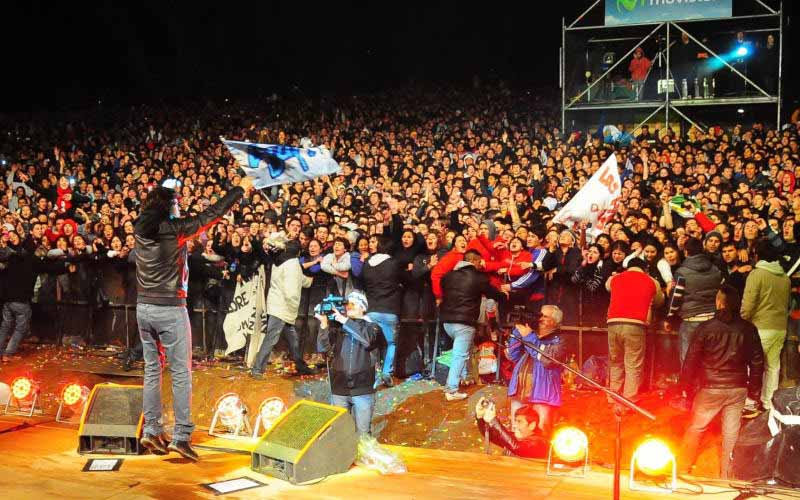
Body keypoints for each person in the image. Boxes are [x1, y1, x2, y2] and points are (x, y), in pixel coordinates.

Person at [134, 176, 252, 461]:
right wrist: (239, 190)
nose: (179, 207)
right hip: (170, 308)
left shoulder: (141, 228)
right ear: (168, 207)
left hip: (143, 307)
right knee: (180, 372)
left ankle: (151, 431)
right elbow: (209, 216)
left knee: (152, 369)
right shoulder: (173, 229)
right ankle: (182, 437)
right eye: (176, 203)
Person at [679, 285, 764, 479]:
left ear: (719, 303)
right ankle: (727, 476)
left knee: (697, 427)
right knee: (731, 434)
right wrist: (754, 393)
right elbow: (758, 362)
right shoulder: (748, 329)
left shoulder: (706, 328)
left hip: (710, 388)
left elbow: (691, 360)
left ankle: (682, 469)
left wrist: (685, 388)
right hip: (738, 388)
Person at [439, 249, 506, 401]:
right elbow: (493, 294)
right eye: (479, 262)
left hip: (446, 321)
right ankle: (451, 389)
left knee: (465, 350)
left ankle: (465, 377)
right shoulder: (478, 278)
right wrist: (503, 296)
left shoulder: (448, 276)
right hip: (465, 322)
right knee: (460, 355)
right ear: (475, 261)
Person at [316, 291, 384, 435]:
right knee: (340, 433)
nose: (348, 307)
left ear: (363, 307)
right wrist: (323, 325)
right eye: (347, 304)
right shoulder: (338, 326)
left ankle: (362, 458)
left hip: (362, 389)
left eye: (352, 304)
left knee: (363, 433)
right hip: (338, 388)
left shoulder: (373, 327)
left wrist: (345, 321)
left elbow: (368, 341)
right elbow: (323, 348)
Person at [250, 235, 316, 378]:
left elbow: (298, 279)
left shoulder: (279, 261)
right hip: (283, 308)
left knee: (293, 340)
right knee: (271, 339)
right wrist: (293, 307)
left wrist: (309, 281)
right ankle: (257, 369)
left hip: (277, 306)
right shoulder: (292, 264)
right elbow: (291, 290)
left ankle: (300, 365)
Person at [741, 239, 791, 413]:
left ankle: (750, 401)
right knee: (773, 367)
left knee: (752, 367)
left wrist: (742, 322)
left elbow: (748, 305)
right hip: (780, 328)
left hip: (759, 328)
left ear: (757, 255)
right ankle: (769, 403)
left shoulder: (757, 274)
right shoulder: (785, 277)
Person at [606, 257, 664, 402]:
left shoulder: (615, 279)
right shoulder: (652, 281)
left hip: (613, 322)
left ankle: (613, 396)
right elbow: (659, 300)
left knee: (615, 361)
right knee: (633, 363)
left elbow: (607, 287)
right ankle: (629, 400)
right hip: (636, 325)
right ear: (645, 269)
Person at [505, 305, 566, 436]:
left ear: (555, 322)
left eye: (545, 316)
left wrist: (529, 337)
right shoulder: (531, 335)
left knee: (542, 430)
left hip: (543, 395)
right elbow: (513, 356)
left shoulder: (559, 340)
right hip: (520, 391)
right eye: (540, 315)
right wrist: (517, 333)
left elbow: (548, 359)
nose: (540, 319)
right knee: (517, 431)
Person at [361, 235, 404, 388]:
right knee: (390, 343)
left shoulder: (366, 264)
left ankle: (373, 374)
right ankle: (387, 372)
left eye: (373, 242)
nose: (370, 244)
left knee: (372, 344)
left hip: (372, 309)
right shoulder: (394, 263)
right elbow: (403, 280)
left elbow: (363, 284)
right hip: (390, 309)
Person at [673, 238, 722, 365]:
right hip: (713, 318)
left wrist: (670, 315)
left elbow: (675, 298)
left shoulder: (681, 272)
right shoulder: (716, 270)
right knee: (710, 357)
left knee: (687, 358)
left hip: (691, 319)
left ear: (686, 252)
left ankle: (688, 384)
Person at [474, 397, 549, 458]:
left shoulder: (539, 443)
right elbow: (490, 435)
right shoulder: (515, 438)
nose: (515, 425)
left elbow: (517, 447)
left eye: (519, 422)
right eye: (515, 421)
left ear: (532, 425)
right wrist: (480, 417)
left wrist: (494, 421)